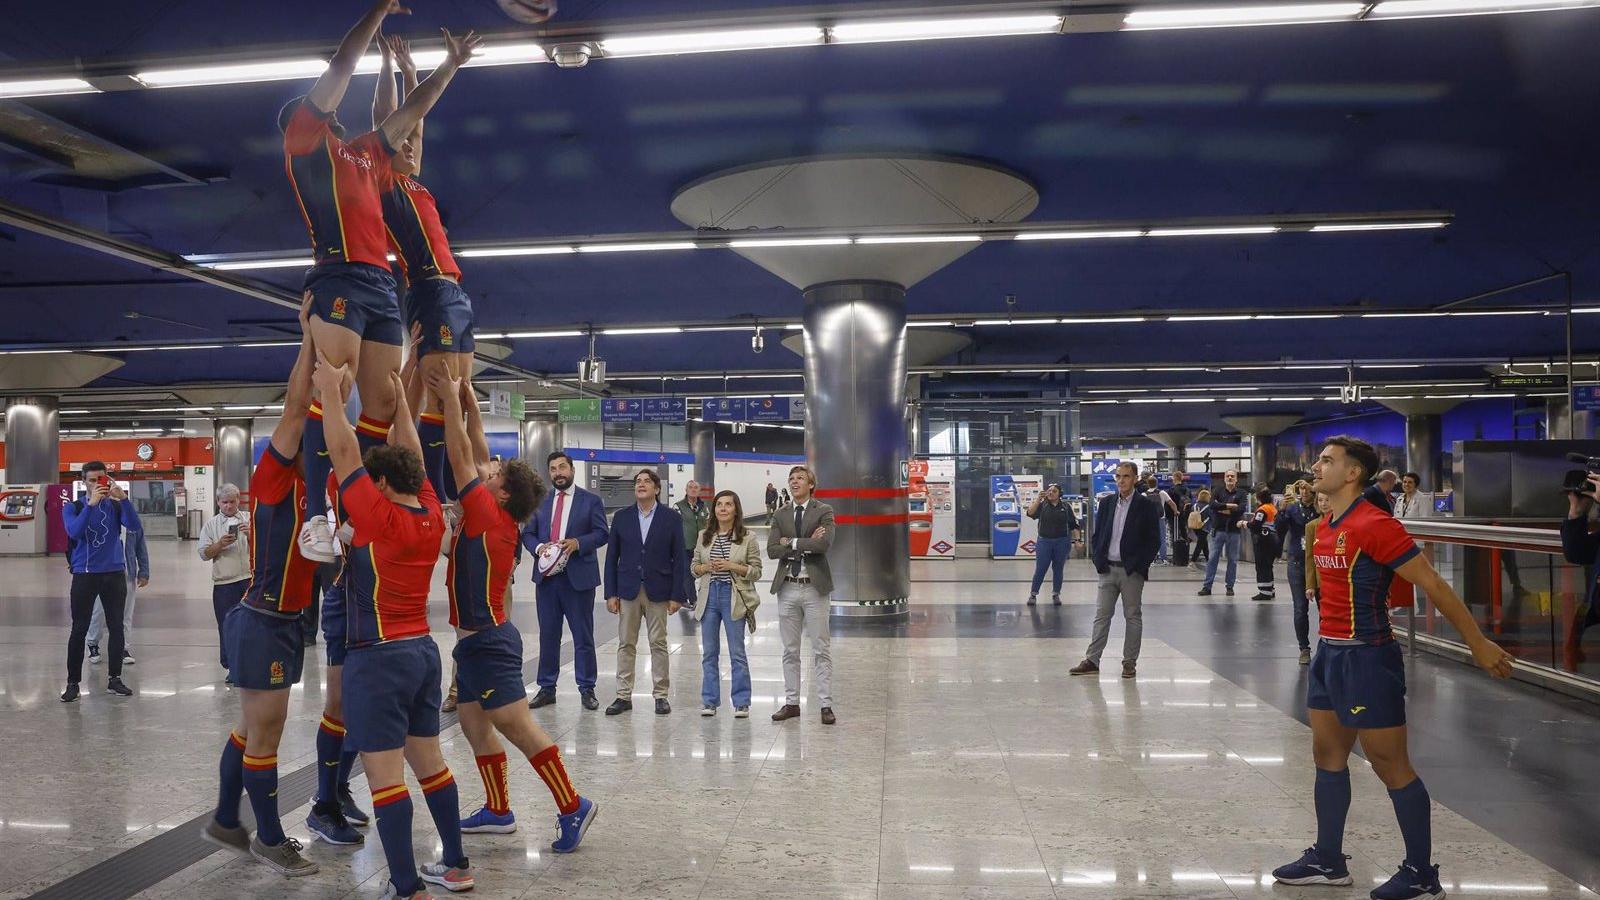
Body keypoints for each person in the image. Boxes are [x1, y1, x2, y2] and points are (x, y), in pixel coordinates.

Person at [281, 0, 481, 564]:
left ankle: (353, 502)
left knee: (385, 399)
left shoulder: (369, 154)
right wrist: (376, 16)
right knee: (334, 384)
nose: (332, 104)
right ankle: (318, 515)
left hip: (381, 285)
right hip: (337, 273)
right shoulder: (305, 142)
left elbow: (412, 111)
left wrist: (450, 66)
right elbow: (343, 66)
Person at [1272, 436, 1514, 900]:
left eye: (1327, 460)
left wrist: (1478, 643)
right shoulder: (1324, 525)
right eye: (1319, 459)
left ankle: (1421, 873)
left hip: (1368, 657)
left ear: (1353, 474)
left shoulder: (1376, 525)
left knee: (1390, 765)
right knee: (1326, 756)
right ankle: (1327, 859)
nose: (1317, 466)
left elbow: (1434, 584)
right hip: (1330, 653)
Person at [312, 352, 472, 899]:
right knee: (431, 763)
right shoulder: (429, 512)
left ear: (379, 484)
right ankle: (456, 863)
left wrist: (331, 393)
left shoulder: (376, 516)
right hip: (423, 655)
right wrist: (405, 402)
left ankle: (407, 888)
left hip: (375, 658)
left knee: (386, 781)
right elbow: (417, 462)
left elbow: (341, 449)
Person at [428, 371, 597, 851]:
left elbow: (462, 456)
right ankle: (499, 810)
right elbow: (478, 451)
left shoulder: (485, 513)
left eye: (495, 475)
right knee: (473, 724)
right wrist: (468, 401)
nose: (488, 470)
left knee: (518, 728)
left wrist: (445, 404)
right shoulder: (496, 511)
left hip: (489, 641)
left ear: (499, 493)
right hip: (474, 643)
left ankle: (572, 805)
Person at [200, 298, 320, 876]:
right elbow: (297, 404)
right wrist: (311, 340)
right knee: (265, 732)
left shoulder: (318, 486)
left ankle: (226, 817)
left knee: (251, 727)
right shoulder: (273, 475)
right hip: (264, 618)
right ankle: (269, 838)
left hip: (286, 619)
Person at [374, 34, 476, 517]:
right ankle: (430, 488)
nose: (413, 147)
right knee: (441, 391)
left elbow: (417, 124)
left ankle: (454, 487)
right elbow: (391, 119)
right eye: (404, 143)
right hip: (429, 289)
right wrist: (388, 66)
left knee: (463, 393)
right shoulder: (385, 182)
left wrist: (412, 72)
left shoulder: (413, 182)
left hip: (453, 292)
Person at [523, 451, 608, 711]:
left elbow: (602, 533)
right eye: (553, 469)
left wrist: (577, 543)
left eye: (562, 467)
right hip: (548, 580)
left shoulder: (590, 501)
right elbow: (527, 534)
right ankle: (547, 688)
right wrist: (540, 549)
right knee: (548, 635)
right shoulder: (539, 501)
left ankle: (587, 688)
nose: (558, 473)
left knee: (583, 636)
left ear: (571, 469)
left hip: (578, 579)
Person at [603, 469, 689, 716]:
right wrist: (611, 592)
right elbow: (611, 558)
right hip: (628, 590)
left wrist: (677, 595)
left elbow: (679, 559)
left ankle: (661, 695)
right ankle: (623, 695)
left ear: (657, 489)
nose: (641, 485)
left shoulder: (671, 518)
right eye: (638, 482)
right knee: (626, 643)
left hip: (658, 591)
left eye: (646, 481)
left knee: (658, 643)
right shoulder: (621, 517)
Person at [1071, 462, 1161, 680]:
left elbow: (1153, 541)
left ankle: (1129, 663)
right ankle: (1092, 660)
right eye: (1118, 476)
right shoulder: (1107, 503)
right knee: (1101, 616)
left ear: (1135, 478)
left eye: (1126, 476)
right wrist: (1098, 559)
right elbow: (1098, 533)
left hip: (1132, 572)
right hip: (1107, 569)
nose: (1121, 480)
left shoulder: (1146, 506)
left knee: (1132, 616)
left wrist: (1140, 565)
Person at [61, 461, 143, 702]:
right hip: (85, 574)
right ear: (84, 482)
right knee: (79, 628)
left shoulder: (116, 507)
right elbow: (74, 532)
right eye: (93, 480)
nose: (99, 484)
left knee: (116, 626)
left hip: (114, 572)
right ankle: (73, 682)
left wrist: (124, 500)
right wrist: (90, 506)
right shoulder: (73, 507)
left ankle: (114, 679)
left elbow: (135, 527)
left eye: (102, 479)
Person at [767, 466, 837, 724]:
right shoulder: (781, 513)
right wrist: (805, 541)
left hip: (814, 587)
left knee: (821, 648)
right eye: (791, 479)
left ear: (811, 484)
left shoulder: (824, 510)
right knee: (790, 649)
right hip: (787, 586)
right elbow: (773, 550)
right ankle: (791, 702)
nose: (794, 482)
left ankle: (825, 704)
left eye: (800, 478)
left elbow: (824, 544)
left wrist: (792, 542)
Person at [692, 490, 763, 717]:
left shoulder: (748, 537)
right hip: (709, 595)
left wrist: (732, 566)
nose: (723, 508)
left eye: (728, 505)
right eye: (719, 504)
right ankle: (710, 701)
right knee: (709, 652)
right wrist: (705, 568)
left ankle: (741, 701)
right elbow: (694, 567)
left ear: (736, 509)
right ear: (714, 509)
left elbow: (756, 572)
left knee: (737, 652)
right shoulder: (704, 535)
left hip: (733, 596)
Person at [198, 483, 251, 683]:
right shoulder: (211, 525)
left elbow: (265, 547)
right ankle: (231, 666)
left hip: (248, 580)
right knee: (227, 626)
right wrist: (219, 544)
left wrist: (250, 535)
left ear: (239, 500)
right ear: (218, 502)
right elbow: (203, 554)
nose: (229, 506)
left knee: (250, 625)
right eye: (224, 502)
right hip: (224, 584)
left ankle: (250, 664)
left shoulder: (249, 519)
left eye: (232, 501)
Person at [86, 521, 148, 667]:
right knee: (98, 612)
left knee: (126, 615)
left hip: (127, 575)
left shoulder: (132, 520)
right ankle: (93, 643)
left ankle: (123, 647)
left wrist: (144, 571)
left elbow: (141, 547)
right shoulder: (102, 517)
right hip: (104, 573)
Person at [1278, 481, 1319, 664]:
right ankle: (1304, 648)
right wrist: (1281, 510)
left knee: (1324, 606)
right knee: (1300, 607)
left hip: (1319, 561)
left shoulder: (1321, 506)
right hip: (1296, 560)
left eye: (1307, 488)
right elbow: (1279, 529)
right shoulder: (1293, 509)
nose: (1303, 492)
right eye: (1300, 488)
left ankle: (1328, 644)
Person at [1025, 483, 1081, 606]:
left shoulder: (1066, 507)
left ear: (1059, 494)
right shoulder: (1042, 506)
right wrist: (1038, 499)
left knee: (1058, 569)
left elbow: (1074, 525)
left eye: (1054, 491)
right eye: (1049, 491)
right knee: (1041, 568)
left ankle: (1056, 594)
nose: (1050, 493)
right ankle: (1033, 594)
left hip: (1062, 542)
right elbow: (1029, 513)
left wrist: (1078, 540)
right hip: (1044, 541)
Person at [1199, 469, 1248, 596]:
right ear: (1224, 478)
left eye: (1232, 476)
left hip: (1234, 531)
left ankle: (1230, 587)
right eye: (1228, 476)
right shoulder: (1217, 491)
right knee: (1212, 558)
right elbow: (1212, 505)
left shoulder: (1242, 493)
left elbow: (1241, 509)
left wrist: (1223, 508)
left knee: (1232, 560)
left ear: (1236, 479)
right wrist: (1231, 506)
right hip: (1218, 530)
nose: (1230, 478)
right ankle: (1207, 586)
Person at [674, 480, 710, 605]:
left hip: (700, 546)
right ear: (686, 490)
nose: (693, 489)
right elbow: (673, 526)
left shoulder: (704, 507)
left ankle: (684, 598)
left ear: (699, 491)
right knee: (687, 572)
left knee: (698, 571)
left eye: (696, 487)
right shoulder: (678, 506)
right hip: (684, 546)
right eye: (690, 487)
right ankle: (694, 600)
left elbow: (708, 523)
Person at [1248, 485, 1280, 603]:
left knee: (1261, 566)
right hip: (1272, 540)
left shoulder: (1262, 510)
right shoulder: (1272, 508)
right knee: (1268, 566)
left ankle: (1264, 592)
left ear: (1258, 497)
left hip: (1263, 541)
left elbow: (1256, 525)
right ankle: (1270, 589)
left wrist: (1244, 523)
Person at [1190, 488, 1213, 568]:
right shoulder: (1208, 507)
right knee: (1200, 545)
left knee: (1204, 543)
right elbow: (1212, 517)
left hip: (1195, 527)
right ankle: (1192, 561)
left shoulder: (1194, 506)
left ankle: (1208, 560)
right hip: (1204, 528)